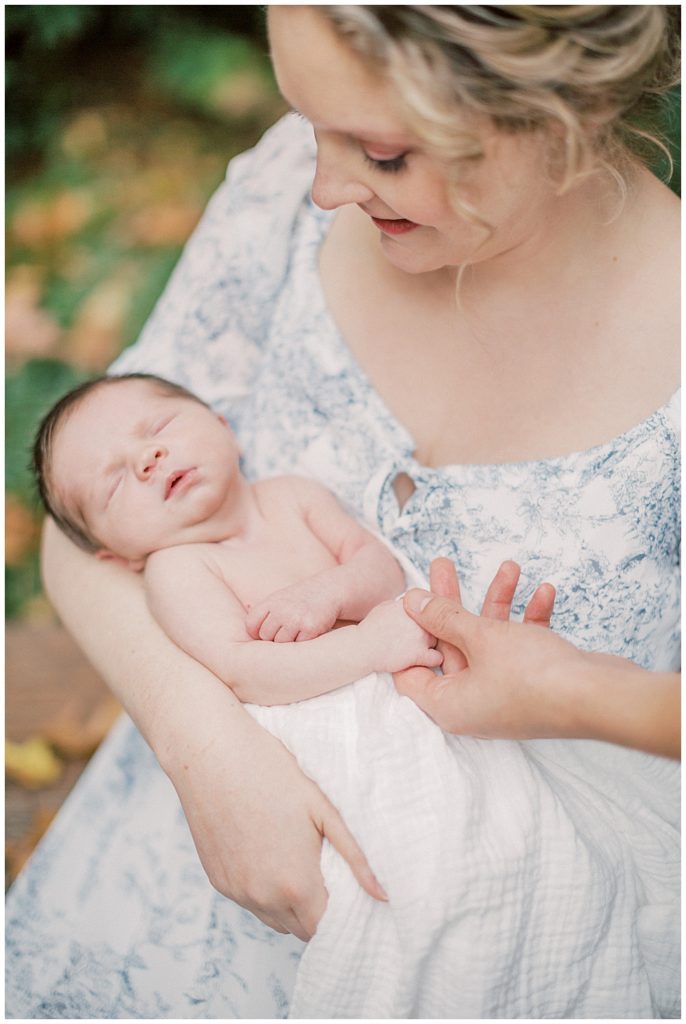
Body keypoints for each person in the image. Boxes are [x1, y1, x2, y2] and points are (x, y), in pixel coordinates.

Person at [6, 4, 679, 1019]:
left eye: (380, 152)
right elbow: (83, 537)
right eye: (306, 121)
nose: (323, 185)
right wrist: (207, 751)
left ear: (556, 106)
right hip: (170, 900)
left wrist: (585, 697)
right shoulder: (287, 190)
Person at [33, 370, 443, 708]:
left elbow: (380, 568)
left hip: (409, 675)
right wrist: (367, 647)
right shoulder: (179, 569)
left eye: (159, 427)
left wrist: (327, 593)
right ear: (119, 558)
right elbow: (244, 673)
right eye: (115, 482)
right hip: (325, 720)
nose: (147, 457)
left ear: (223, 426)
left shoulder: (293, 494)